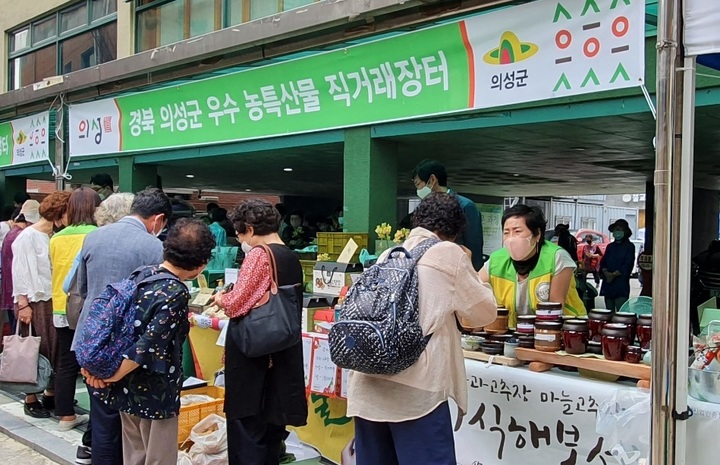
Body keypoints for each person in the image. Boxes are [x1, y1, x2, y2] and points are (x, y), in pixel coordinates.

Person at [347, 193, 497, 465]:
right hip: (416, 391)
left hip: (368, 383)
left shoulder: (389, 253)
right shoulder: (448, 253)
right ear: (454, 230)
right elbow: (484, 313)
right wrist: (471, 265)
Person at [85, 219, 215, 465]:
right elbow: (147, 346)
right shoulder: (175, 292)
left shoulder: (142, 274)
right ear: (201, 264)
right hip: (157, 391)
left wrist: (109, 374)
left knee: (134, 454)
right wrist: (110, 376)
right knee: (159, 458)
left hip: (126, 385)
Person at [73, 188, 170, 465]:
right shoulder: (154, 247)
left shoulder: (93, 237)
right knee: (132, 424)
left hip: (90, 338)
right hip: (129, 346)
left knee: (102, 419)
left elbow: (82, 288)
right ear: (158, 219)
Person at [212, 199, 307, 465]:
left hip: (255, 353)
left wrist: (222, 299)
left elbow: (237, 304)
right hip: (281, 350)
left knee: (248, 426)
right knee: (271, 427)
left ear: (250, 229)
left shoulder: (259, 255)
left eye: (240, 232)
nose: (240, 238)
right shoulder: (289, 254)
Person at [479, 204, 586, 329]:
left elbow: (554, 309)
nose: (511, 239)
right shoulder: (496, 260)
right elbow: (473, 289)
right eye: (506, 232)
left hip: (563, 332)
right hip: (515, 334)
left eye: (517, 231)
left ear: (537, 234)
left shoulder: (556, 257)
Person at [12, 191, 71, 418]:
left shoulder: (55, 235)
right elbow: (19, 272)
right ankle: (30, 396)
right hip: (36, 301)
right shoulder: (27, 237)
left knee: (55, 349)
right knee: (36, 349)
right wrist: (23, 304)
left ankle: (50, 392)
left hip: (55, 298)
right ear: (59, 213)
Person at [49, 188, 101, 432]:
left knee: (66, 362)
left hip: (60, 306)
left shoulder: (56, 237)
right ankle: (96, 419)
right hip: (87, 309)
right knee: (92, 363)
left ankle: (65, 415)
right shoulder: (97, 235)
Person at [412, 160, 484, 271]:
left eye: (418, 184)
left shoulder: (465, 206)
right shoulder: (424, 208)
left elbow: (474, 248)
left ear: (431, 180)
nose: (417, 190)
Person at [1, 203, 36, 340]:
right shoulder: (21, 236)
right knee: (22, 337)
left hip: (11, 293)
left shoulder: (12, 234)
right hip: (18, 295)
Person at [599, 219, 636, 311]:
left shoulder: (629, 246)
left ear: (625, 231)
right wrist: (606, 273)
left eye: (619, 229)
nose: (616, 232)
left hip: (621, 283)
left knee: (621, 311)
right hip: (608, 282)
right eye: (615, 230)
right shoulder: (610, 246)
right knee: (608, 312)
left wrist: (615, 274)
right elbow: (603, 262)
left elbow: (628, 264)